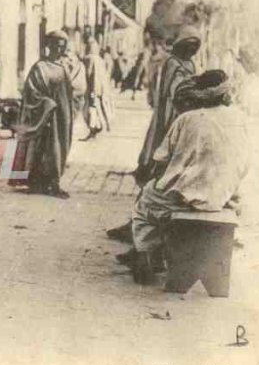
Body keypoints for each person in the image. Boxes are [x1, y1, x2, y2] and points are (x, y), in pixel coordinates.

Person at [120, 70, 249, 282]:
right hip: (222, 196)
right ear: (225, 94)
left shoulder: (187, 119)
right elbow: (245, 163)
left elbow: (161, 159)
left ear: (199, 94)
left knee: (146, 201)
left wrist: (161, 180)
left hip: (187, 199)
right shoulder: (239, 118)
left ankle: (145, 257)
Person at [9, 30, 75, 198]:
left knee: (59, 148)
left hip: (61, 116)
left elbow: (68, 92)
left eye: (62, 47)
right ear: (49, 46)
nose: (59, 50)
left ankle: (52, 182)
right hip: (45, 116)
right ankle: (41, 183)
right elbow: (31, 93)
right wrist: (47, 104)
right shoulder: (40, 68)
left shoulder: (64, 68)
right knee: (43, 148)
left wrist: (68, 110)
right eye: (56, 46)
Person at [135, 25, 202, 185]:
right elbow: (168, 88)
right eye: (188, 46)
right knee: (164, 136)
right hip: (170, 106)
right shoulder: (172, 62)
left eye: (194, 47)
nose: (191, 50)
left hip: (186, 107)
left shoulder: (191, 64)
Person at [81, 39, 114, 141]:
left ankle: (94, 130)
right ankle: (101, 126)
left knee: (89, 110)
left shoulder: (89, 59)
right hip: (101, 89)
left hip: (92, 88)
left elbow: (89, 74)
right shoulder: (100, 59)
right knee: (97, 108)